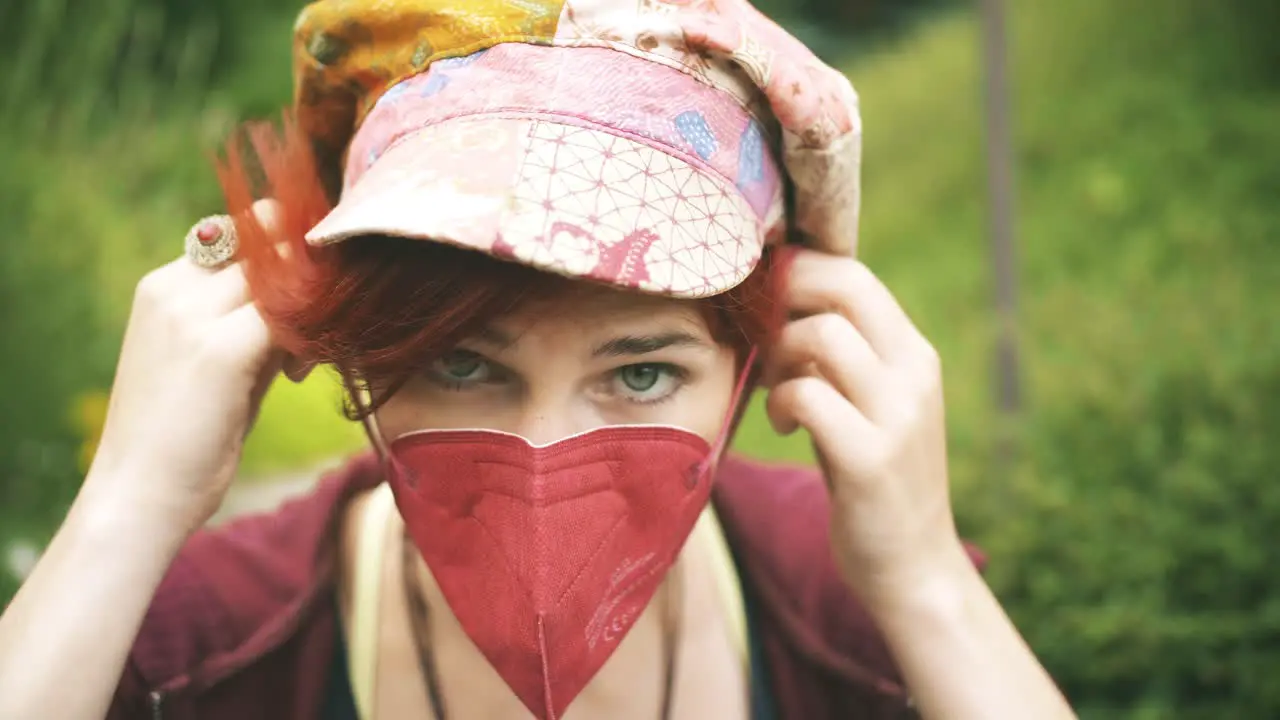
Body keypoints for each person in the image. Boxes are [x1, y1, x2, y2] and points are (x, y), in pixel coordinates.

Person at [0, 0, 1076, 718]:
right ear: (357, 352)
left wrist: (926, 585)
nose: (541, 455)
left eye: (641, 372)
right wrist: (125, 510)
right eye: (464, 366)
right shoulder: (205, 643)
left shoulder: (847, 616)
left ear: (764, 357)